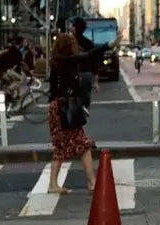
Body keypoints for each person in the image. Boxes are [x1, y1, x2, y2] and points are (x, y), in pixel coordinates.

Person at [47, 32, 119, 194]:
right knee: (83, 145)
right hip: (65, 108)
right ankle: (91, 182)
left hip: (57, 107)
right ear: (68, 46)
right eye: (72, 42)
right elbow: (89, 55)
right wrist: (109, 45)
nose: (75, 45)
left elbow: (53, 89)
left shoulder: (57, 61)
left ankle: (53, 184)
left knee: (61, 147)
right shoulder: (67, 61)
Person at [71, 17, 99, 107]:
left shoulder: (68, 42)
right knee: (85, 100)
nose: (71, 28)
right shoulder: (89, 43)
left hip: (72, 75)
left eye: (72, 26)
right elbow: (94, 63)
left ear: (75, 28)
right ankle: (84, 107)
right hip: (86, 75)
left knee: (69, 98)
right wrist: (96, 81)